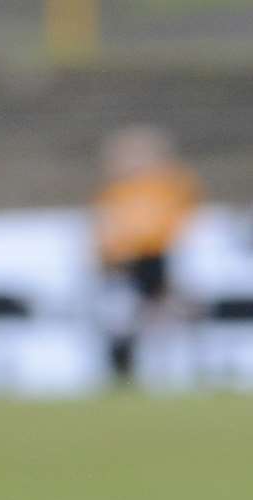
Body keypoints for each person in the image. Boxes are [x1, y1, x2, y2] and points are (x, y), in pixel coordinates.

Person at [92, 124, 200, 383]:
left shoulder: (171, 186)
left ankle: (168, 371)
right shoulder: (114, 192)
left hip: (157, 259)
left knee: (163, 318)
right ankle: (124, 372)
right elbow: (105, 229)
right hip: (122, 264)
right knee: (122, 319)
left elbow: (181, 223)